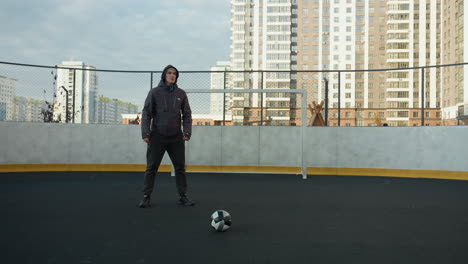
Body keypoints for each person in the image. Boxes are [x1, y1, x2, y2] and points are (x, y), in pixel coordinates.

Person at [138, 65, 194, 208]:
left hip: (176, 138)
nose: (172, 75)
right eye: (169, 73)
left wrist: (187, 133)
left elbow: (187, 114)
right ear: (164, 75)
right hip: (157, 136)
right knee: (151, 168)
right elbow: (146, 114)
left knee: (180, 168)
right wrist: (145, 133)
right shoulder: (154, 92)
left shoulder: (181, 94)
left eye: (174, 73)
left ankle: (183, 196)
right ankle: (146, 197)